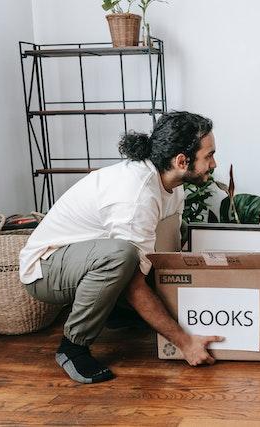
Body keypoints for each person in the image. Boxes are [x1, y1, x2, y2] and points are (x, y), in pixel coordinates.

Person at [19, 111, 224, 384]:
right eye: (208, 155)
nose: (214, 163)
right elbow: (132, 280)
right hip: (45, 269)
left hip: (86, 258)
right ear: (181, 161)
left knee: (131, 256)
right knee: (122, 256)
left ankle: (115, 313)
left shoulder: (173, 187)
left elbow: (164, 252)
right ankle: (73, 347)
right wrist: (184, 342)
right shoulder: (137, 196)